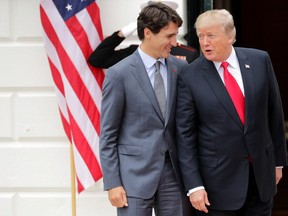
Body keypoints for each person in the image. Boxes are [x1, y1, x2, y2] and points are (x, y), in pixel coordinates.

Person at [176, 9, 287, 216]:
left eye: (211, 35)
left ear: (230, 36)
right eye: (200, 36)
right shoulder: (189, 75)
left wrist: (278, 162)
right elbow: (185, 136)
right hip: (216, 188)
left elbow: (274, 115)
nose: (204, 42)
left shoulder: (259, 60)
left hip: (260, 180)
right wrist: (194, 186)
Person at [100, 2, 195, 216]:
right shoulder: (119, 74)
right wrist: (112, 183)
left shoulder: (180, 67)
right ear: (148, 33)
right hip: (132, 178)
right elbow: (108, 135)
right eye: (169, 36)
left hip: (173, 176)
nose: (174, 42)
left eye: (175, 35)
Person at [88, 2, 199, 69]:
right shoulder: (133, 53)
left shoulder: (188, 54)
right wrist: (123, 33)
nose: (173, 42)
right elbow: (97, 60)